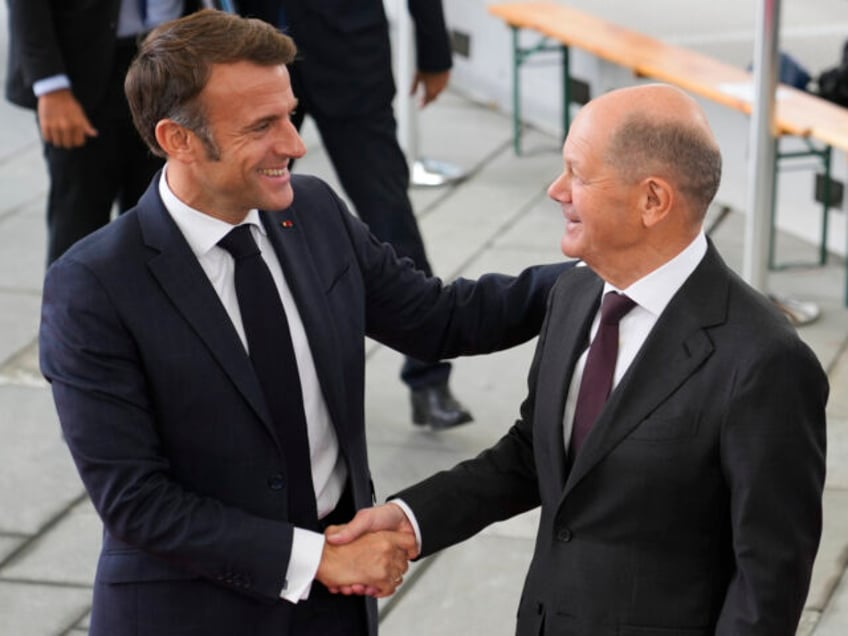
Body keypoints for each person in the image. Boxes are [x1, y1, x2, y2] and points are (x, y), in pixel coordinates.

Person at [38, 10, 568, 636]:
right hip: (191, 612)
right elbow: (137, 502)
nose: (294, 143)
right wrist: (320, 558)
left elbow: (440, 318)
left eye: (289, 114)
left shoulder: (311, 209)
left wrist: (601, 270)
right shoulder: (94, 286)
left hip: (337, 612)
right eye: (262, 126)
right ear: (178, 139)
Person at [328, 84, 830, 634]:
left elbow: (769, 583)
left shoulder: (765, 362)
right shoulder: (575, 294)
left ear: (652, 200)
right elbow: (532, 455)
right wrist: (412, 519)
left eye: (578, 174)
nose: (555, 189)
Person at [236, 0, 470, 430]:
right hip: (250, 60)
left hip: (350, 61)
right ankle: (237, 380)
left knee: (392, 226)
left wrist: (435, 52)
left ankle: (429, 380)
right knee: (234, 223)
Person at [4, 0, 204, 265]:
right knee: (80, 217)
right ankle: (74, 305)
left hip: (172, 62)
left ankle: (147, 304)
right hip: (82, 71)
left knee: (162, 216)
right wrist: (51, 88)